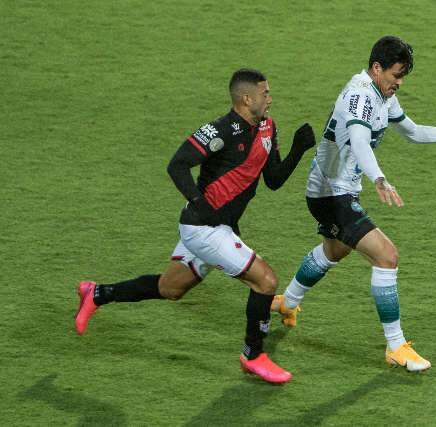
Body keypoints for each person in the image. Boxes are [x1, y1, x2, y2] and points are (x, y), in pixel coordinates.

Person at [270, 36, 436, 372]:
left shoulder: (382, 94)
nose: (399, 82)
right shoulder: (360, 96)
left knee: (335, 250)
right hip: (329, 193)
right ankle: (396, 346)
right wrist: (378, 177)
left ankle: (286, 302)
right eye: (395, 74)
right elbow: (361, 141)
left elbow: (413, 131)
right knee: (386, 256)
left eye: (403, 75)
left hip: (338, 188)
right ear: (376, 68)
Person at [75, 68, 316, 384]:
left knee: (170, 288)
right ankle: (253, 355)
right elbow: (177, 165)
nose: (270, 98)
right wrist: (201, 205)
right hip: (204, 228)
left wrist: (298, 149)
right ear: (246, 98)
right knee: (266, 281)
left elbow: (272, 180)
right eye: (264, 93)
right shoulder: (221, 131)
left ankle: (98, 293)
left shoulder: (267, 128)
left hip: (220, 227)